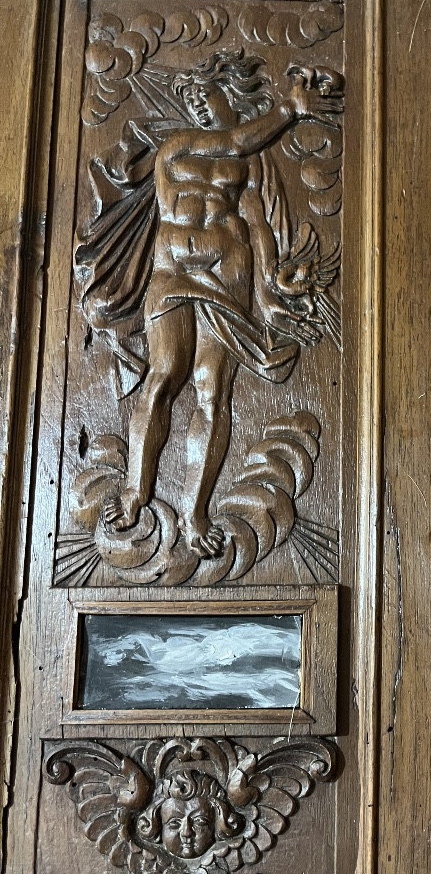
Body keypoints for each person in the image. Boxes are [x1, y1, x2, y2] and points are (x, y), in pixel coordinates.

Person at [96, 49, 342, 557]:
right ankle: (137, 488)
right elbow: (231, 140)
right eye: (190, 99)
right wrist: (289, 110)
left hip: (227, 279)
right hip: (172, 273)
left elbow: (255, 225)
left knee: (212, 392)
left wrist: (275, 284)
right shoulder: (178, 146)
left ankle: (195, 510)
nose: (198, 107)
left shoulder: (248, 166)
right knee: (166, 375)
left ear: (229, 96)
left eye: (205, 96)